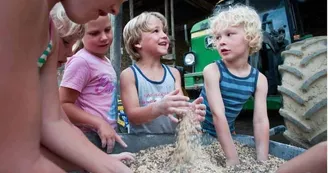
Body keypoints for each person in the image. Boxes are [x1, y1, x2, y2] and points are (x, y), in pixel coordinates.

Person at [0, 0, 133, 172]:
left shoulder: (50, 34)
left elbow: (53, 121)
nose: (115, 10)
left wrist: (101, 161)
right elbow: (18, 161)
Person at [200, 5, 269, 166]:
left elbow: (260, 121)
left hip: (227, 133)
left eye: (229, 34)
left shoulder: (259, 79)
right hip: (199, 132)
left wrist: (263, 159)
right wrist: (232, 158)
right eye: (217, 38)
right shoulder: (213, 71)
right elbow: (218, 115)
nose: (221, 42)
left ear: (250, 37)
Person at [120, 12, 206, 134]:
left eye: (164, 31)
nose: (165, 35)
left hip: (170, 144)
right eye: (156, 31)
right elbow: (133, 117)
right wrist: (158, 108)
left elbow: (180, 109)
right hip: (142, 145)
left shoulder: (174, 73)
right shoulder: (129, 75)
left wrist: (190, 113)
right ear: (137, 42)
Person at [59, 14, 126, 154]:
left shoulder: (104, 60)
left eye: (107, 30)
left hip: (105, 136)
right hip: (87, 138)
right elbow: (63, 104)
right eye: (94, 33)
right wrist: (99, 123)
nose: (104, 37)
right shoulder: (81, 61)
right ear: (80, 35)